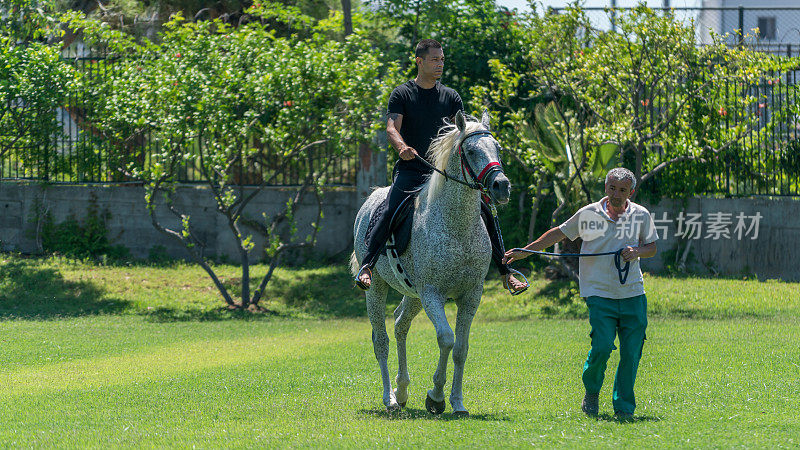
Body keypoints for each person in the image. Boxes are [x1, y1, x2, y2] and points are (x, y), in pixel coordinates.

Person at [354, 38, 527, 294]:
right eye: (435, 59)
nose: (440, 64)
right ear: (419, 61)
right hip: (412, 169)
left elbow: (461, 134)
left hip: (446, 174)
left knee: (486, 211)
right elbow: (391, 128)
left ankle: (506, 273)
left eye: (442, 59)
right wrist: (402, 148)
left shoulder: (451, 96)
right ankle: (367, 264)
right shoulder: (402, 94)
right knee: (390, 208)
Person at [503, 168, 658, 419]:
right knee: (602, 346)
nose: (616, 194)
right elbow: (558, 232)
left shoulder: (641, 215)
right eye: (612, 188)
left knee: (631, 352)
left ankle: (624, 408)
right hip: (598, 293)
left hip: (632, 293)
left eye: (622, 190)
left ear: (632, 191)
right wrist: (526, 251)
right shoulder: (589, 214)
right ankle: (592, 390)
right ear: (605, 188)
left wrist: (636, 251)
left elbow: (651, 247)